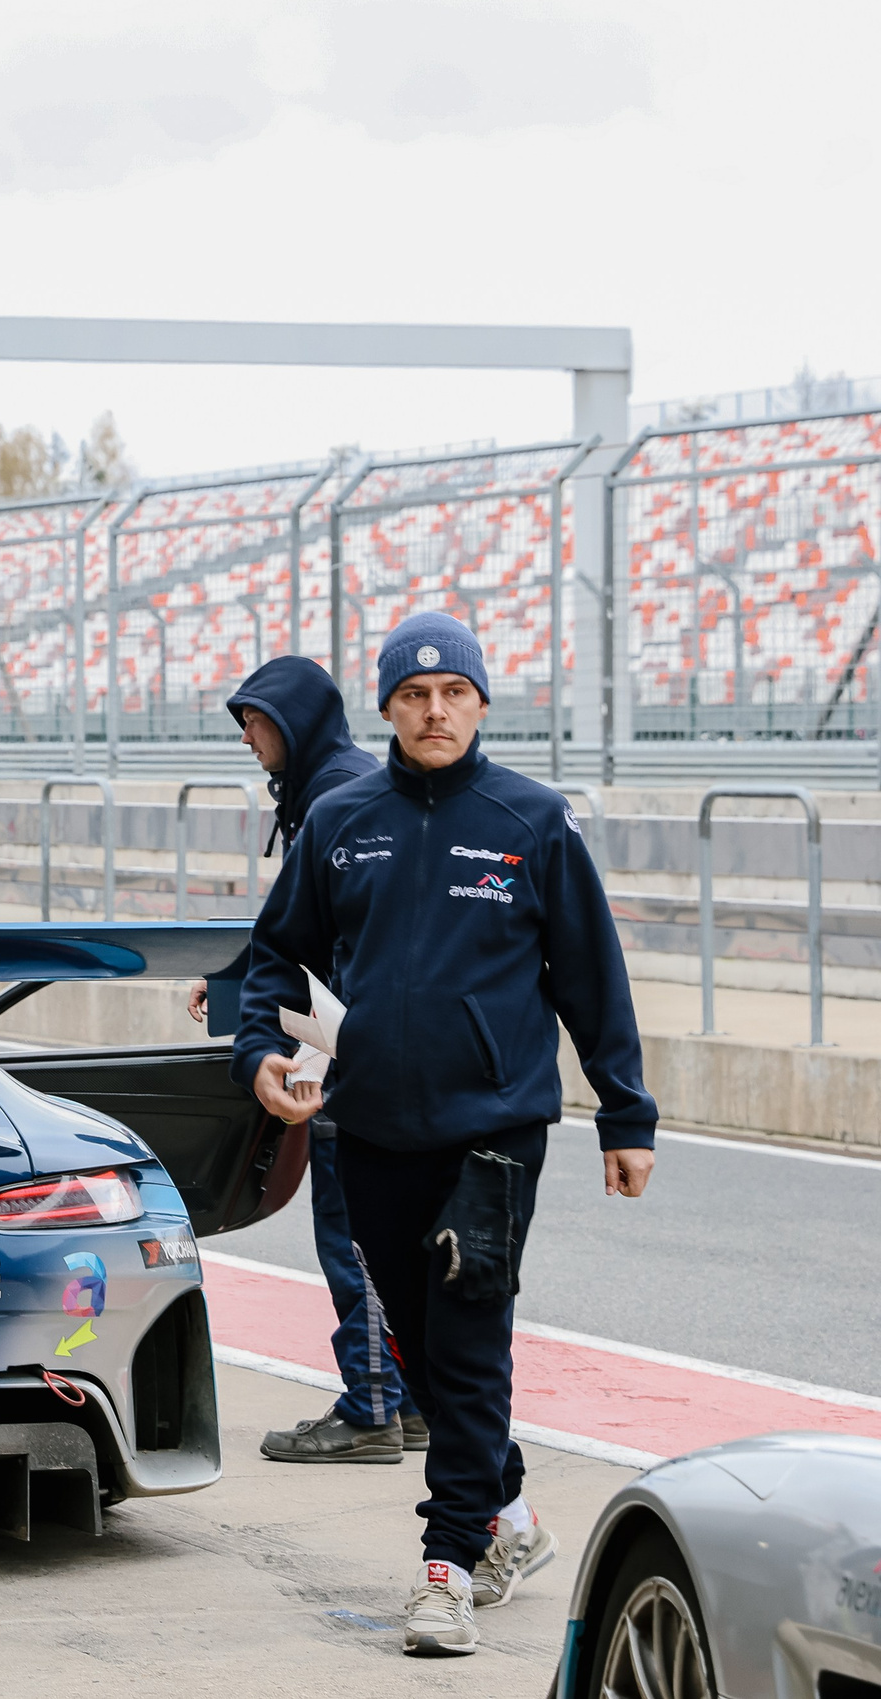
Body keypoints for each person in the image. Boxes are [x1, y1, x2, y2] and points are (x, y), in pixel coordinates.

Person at [230, 611, 656, 1659]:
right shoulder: (342, 820)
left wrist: (623, 1112)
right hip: (369, 1128)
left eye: (452, 694)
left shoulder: (533, 821)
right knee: (418, 1349)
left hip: (495, 1130)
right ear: (385, 707)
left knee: (467, 1342)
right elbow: (274, 961)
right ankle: (508, 1519)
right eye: (413, 696)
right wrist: (259, 1059)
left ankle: (445, 1569)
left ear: (479, 704)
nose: (433, 711)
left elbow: (590, 979)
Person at [185, 656, 422, 1464]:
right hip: (388, 1047)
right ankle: (410, 1399)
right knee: (393, 1234)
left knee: (352, 1235)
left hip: (344, 1052)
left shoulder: (334, 795)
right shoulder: (342, 783)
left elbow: (318, 935)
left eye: (255, 723)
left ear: (292, 722)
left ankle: (371, 1408)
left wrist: (271, 1018)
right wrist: (233, 983)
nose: (247, 740)